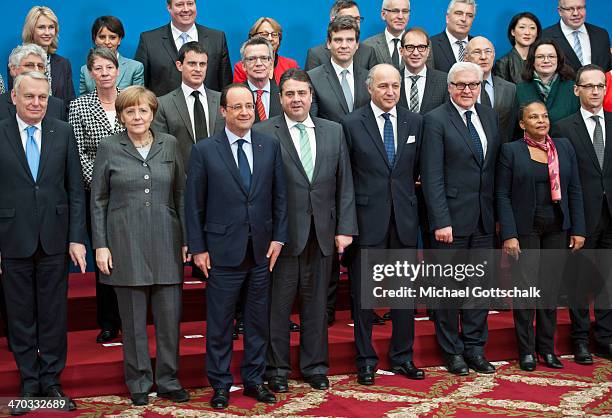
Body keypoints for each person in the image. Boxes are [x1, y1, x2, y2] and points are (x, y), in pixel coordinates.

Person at [253, 68, 357, 393]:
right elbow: (259, 190)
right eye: (290, 94)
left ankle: (315, 367)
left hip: (323, 233)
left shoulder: (333, 131)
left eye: (302, 93)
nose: (296, 99)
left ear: (311, 96)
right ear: (280, 98)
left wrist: (345, 228)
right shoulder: (264, 131)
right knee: (278, 307)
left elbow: (345, 184)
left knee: (316, 307)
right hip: (282, 237)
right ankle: (278, 369)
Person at [185, 83, 288, 410]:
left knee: (258, 321)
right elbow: (193, 205)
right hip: (220, 252)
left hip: (260, 252)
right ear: (223, 111)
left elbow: (280, 197)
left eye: (249, 106)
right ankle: (220, 384)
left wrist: (278, 237)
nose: (245, 112)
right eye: (237, 107)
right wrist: (198, 248)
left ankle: (255, 380)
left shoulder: (269, 145)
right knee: (220, 324)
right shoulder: (204, 150)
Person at [90, 86, 190, 406]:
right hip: (125, 243)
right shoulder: (109, 146)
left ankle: (169, 379)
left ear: (153, 114)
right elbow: (98, 200)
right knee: (132, 322)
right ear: (121, 116)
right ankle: (138, 381)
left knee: (169, 318)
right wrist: (101, 246)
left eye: (143, 110)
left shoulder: (170, 144)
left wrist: (187, 240)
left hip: (167, 240)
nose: (137, 116)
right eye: (130, 111)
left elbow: (181, 196)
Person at [0, 72, 86, 414]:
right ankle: (29, 382)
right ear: (15, 99)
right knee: (20, 315)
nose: (37, 103)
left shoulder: (62, 132)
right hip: (12, 238)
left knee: (53, 314)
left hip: (54, 237)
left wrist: (77, 237)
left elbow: (76, 189)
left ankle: (51, 380)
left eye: (42, 97)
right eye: (30, 97)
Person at [342, 63, 425, 385]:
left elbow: (416, 171)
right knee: (365, 299)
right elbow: (345, 178)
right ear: (369, 88)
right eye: (383, 86)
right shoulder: (350, 124)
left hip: (404, 221)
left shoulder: (414, 121)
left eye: (395, 86)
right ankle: (365, 361)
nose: (390, 92)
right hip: (367, 222)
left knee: (404, 296)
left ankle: (402, 357)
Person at [421, 62, 501, 376]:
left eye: (473, 85)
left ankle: (475, 348)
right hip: (450, 222)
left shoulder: (490, 116)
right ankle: (452, 351)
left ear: (480, 86)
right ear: (450, 86)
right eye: (460, 85)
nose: (467, 90)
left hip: (483, 218)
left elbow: (492, 170)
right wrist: (441, 220)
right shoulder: (435, 120)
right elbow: (432, 176)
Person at [496, 100, 585, 371]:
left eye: (544, 116)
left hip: (557, 227)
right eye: (533, 117)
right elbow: (502, 195)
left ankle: (546, 349)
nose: (541, 121)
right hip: (526, 230)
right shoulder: (511, 151)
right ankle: (526, 352)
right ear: (522, 124)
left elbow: (575, 190)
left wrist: (578, 228)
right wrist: (509, 235)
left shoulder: (564, 147)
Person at [551, 64, 612, 363]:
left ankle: (604, 337)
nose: (595, 91)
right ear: (577, 90)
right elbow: (562, 178)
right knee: (578, 281)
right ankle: (579, 341)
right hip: (581, 217)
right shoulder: (563, 127)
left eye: (600, 85)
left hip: (610, 215)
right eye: (588, 86)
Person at [69, 47, 124, 344]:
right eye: (98, 68)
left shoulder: (132, 99)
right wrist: (105, 181)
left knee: (127, 258)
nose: (104, 73)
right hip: (97, 195)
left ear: (118, 70)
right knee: (103, 258)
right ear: (90, 73)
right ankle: (107, 322)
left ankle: (129, 318)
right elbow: (78, 153)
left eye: (109, 67)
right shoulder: (79, 106)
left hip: (129, 194)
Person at [134, 0, 232, 96]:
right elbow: (139, 88)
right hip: (163, 110)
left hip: (208, 110)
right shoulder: (149, 40)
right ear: (169, 7)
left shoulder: (217, 38)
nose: (186, 9)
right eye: (179, 4)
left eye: (190, 3)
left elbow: (226, 84)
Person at [153, 41, 224, 169]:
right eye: (192, 63)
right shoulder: (163, 104)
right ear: (179, 65)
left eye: (202, 64)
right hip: (182, 179)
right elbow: (161, 149)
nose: (198, 69)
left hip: (220, 176)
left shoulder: (222, 100)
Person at [308, 16, 370, 123]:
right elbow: (312, 121)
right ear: (328, 43)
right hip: (329, 139)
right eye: (338, 40)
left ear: (357, 44)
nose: (344, 46)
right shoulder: (312, 78)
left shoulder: (368, 77)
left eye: (350, 40)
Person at [465, 36, 518, 143]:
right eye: (477, 52)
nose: (483, 57)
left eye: (488, 51)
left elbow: (511, 128)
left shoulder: (510, 89)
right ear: (466, 57)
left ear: (493, 55)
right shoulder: (459, 89)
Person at [18, 6, 75, 105]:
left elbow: (70, 103)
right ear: (31, 30)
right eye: (41, 27)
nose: (47, 32)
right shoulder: (19, 61)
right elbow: (14, 103)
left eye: (51, 27)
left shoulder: (64, 63)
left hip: (58, 120)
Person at [516, 39, 580, 124]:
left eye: (551, 56)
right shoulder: (520, 89)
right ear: (532, 61)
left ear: (558, 60)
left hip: (566, 137)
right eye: (540, 57)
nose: (546, 60)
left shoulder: (573, 89)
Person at [79, 16, 144, 95]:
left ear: (119, 40)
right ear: (94, 39)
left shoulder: (135, 68)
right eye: (102, 37)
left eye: (112, 37)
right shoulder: (85, 70)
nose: (107, 42)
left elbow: (138, 100)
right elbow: (82, 101)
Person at [305, 0, 378, 71]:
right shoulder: (316, 54)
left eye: (357, 19)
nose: (354, 23)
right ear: (333, 20)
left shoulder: (368, 52)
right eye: (348, 19)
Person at [1, 44, 66, 122]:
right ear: (13, 69)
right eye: (29, 65)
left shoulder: (57, 106)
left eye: (40, 66)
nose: (36, 70)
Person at [541, 0, 611, 72]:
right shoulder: (544, 36)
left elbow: (608, 69)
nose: (576, 13)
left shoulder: (601, 34)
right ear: (560, 11)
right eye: (570, 9)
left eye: (580, 8)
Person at [232, 17, 299, 85]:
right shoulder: (241, 67)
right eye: (264, 34)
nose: (270, 38)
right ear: (253, 38)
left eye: (274, 34)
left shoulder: (290, 65)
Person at [399, 27, 449, 114]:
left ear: (428, 51)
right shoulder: (393, 80)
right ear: (401, 51)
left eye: (421, 47)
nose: (415, 53)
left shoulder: (444, 80)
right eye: (410, 47)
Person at [240, 37, 282, 123]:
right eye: (252, 59)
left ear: (271, 63)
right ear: (243, 65)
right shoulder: (235, 96)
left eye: (263, 58)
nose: (258, 63)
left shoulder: (283, 95)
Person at [493, 12, 542, 85]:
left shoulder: (543, 59)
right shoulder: (503, 63)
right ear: (513, 32)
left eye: (532, 28)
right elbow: (502, 93)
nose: (527, 32)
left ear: (537, 33)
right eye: (522, 27)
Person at [363, 0, 410, 71]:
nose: (400, 16)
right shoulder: (368, 45)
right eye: (395, 11)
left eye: (405, 11)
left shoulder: (422, 45)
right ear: (383, 14)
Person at [430, 0, 476, 73]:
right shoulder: (431, 44)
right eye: (458, 13)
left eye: (469, 15)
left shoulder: (477, 45)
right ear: (447, 18)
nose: (464, 19)